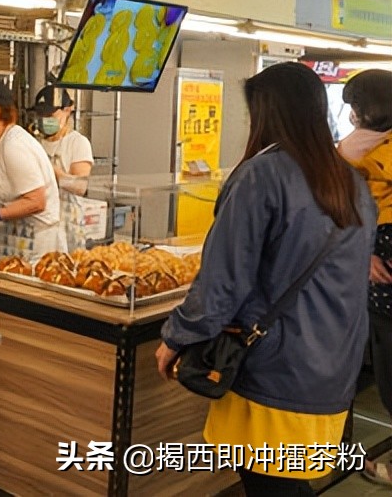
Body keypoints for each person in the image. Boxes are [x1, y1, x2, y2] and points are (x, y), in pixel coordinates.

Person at [156, 62, 377, 497]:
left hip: (275, 367)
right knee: (286, 483)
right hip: (332, 364)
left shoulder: (263, 175)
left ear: (267, 111)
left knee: (272, 488)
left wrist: (177, 337)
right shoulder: (350, 181)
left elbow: (223, 281)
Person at [337, 68, 392, 487]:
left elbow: (337, 205)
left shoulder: (356, 150)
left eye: (355, 106)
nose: (352, 115)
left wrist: (363, 251)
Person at [0, 79, 64, 258]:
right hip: (17, 246)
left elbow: (36, 201)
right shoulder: (6, 142)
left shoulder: (14, 146)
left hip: (34, 251)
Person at [29, 85, 94, 197]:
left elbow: (80, 187)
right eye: (41, 115)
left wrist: (50, 169)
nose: (45, 119)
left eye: (50, 115)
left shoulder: (77, 143)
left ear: (67, 110)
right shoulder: (34, 142)